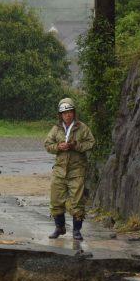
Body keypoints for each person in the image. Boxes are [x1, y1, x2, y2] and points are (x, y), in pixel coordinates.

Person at [44, 97, 95, 240]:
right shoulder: (55, 129)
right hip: (59, 170)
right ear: (60, 115)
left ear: (74, 112)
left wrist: (75, 145)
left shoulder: (83, 128)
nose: (68, 115)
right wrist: (58, 147)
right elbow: (47, 145)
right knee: (56, 201)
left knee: (77, 202)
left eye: (70, 112)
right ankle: (59, 228)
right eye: (65, 113)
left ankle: (77, 231)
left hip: (77, 171)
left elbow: (91, 143)